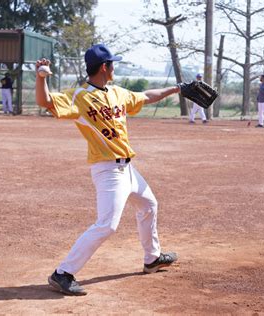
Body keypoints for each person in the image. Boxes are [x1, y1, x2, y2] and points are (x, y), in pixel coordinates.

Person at [35, 44, 179, 296]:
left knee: (148, 205)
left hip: (128, 169)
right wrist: (40, 78)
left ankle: (152, 258)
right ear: (105, 67)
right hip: (107, 170)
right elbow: (46, 101)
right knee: (107, 225)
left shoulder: (116, 92)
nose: (115, 67)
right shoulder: (80, 96)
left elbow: (146, 96)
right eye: (113, 64)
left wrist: (176, 89)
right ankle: (62, 273)